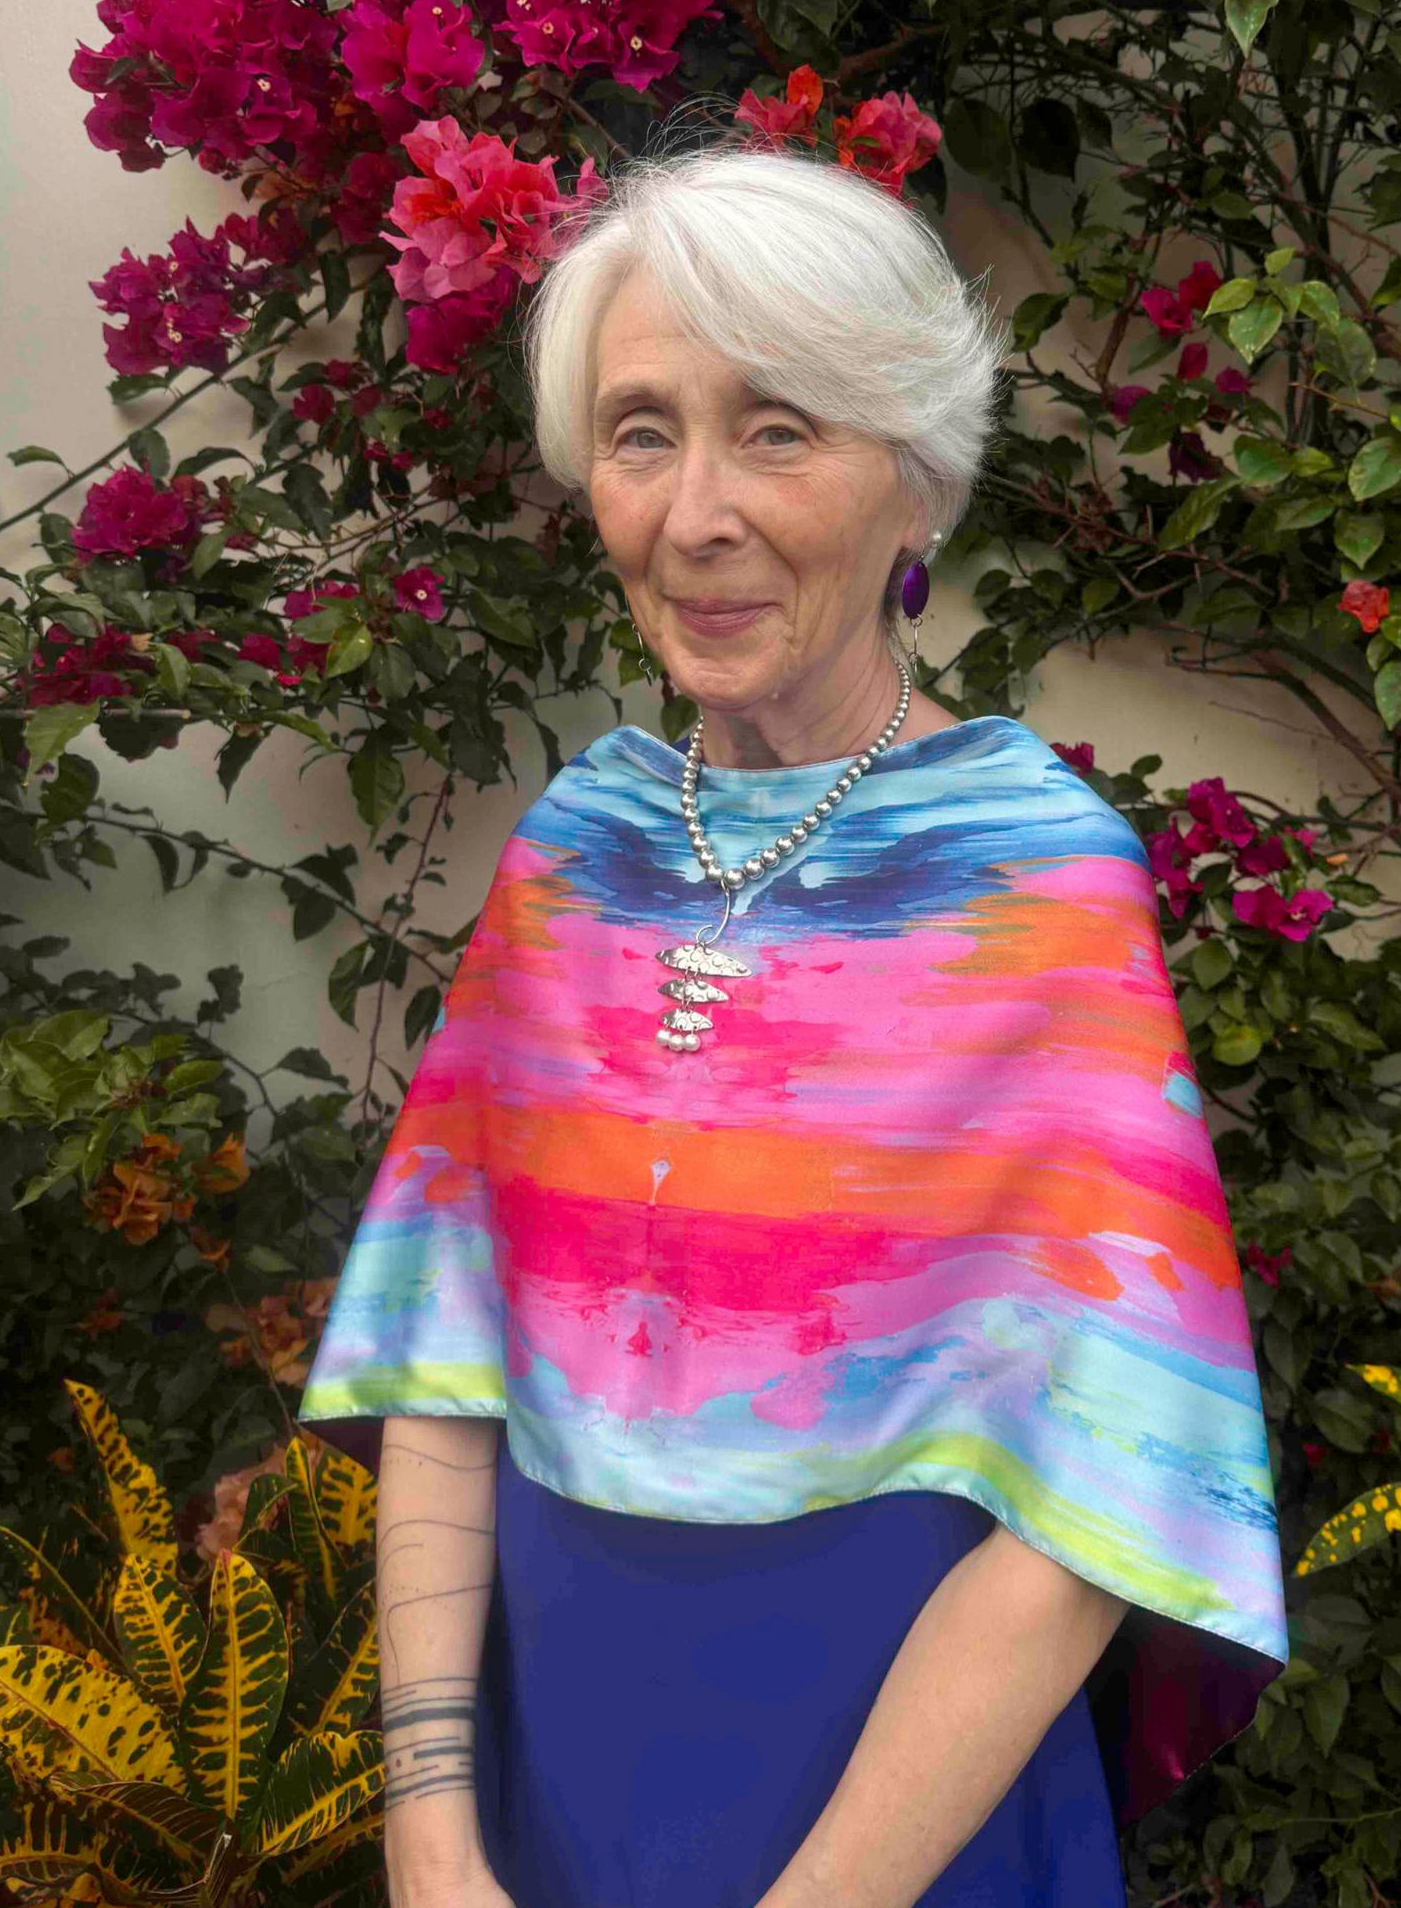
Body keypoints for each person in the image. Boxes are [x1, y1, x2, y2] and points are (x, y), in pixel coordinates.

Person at [296, 136, 1287, 1908]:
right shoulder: (575, 854)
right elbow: (441, 1365)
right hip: (547, 1793)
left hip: (891, 1824)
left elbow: (1108, 1493)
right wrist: (429, 1837)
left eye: (777, 429)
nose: (696, 515)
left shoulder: (1035, 880)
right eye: (641, 431)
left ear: (918, 482)